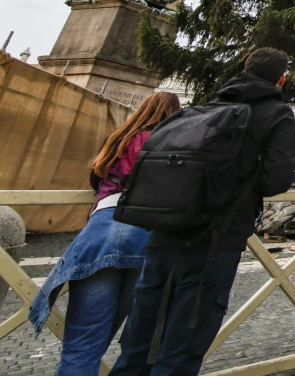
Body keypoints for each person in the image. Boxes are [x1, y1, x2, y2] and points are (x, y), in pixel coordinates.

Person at [111, 47, 295, 376]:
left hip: (164, 230)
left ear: (244, 68)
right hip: (216, 238)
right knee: (185, 342)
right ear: (281, 78)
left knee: (140, 334)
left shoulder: (204, 108)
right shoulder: (275, 112)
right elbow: (275, 179)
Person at [28, 92, 181, 376]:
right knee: (123, 332)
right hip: (146, 238)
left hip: (103, 231)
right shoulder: (173, 143)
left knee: (84, 342)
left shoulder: (120, 138)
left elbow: (97, 176)